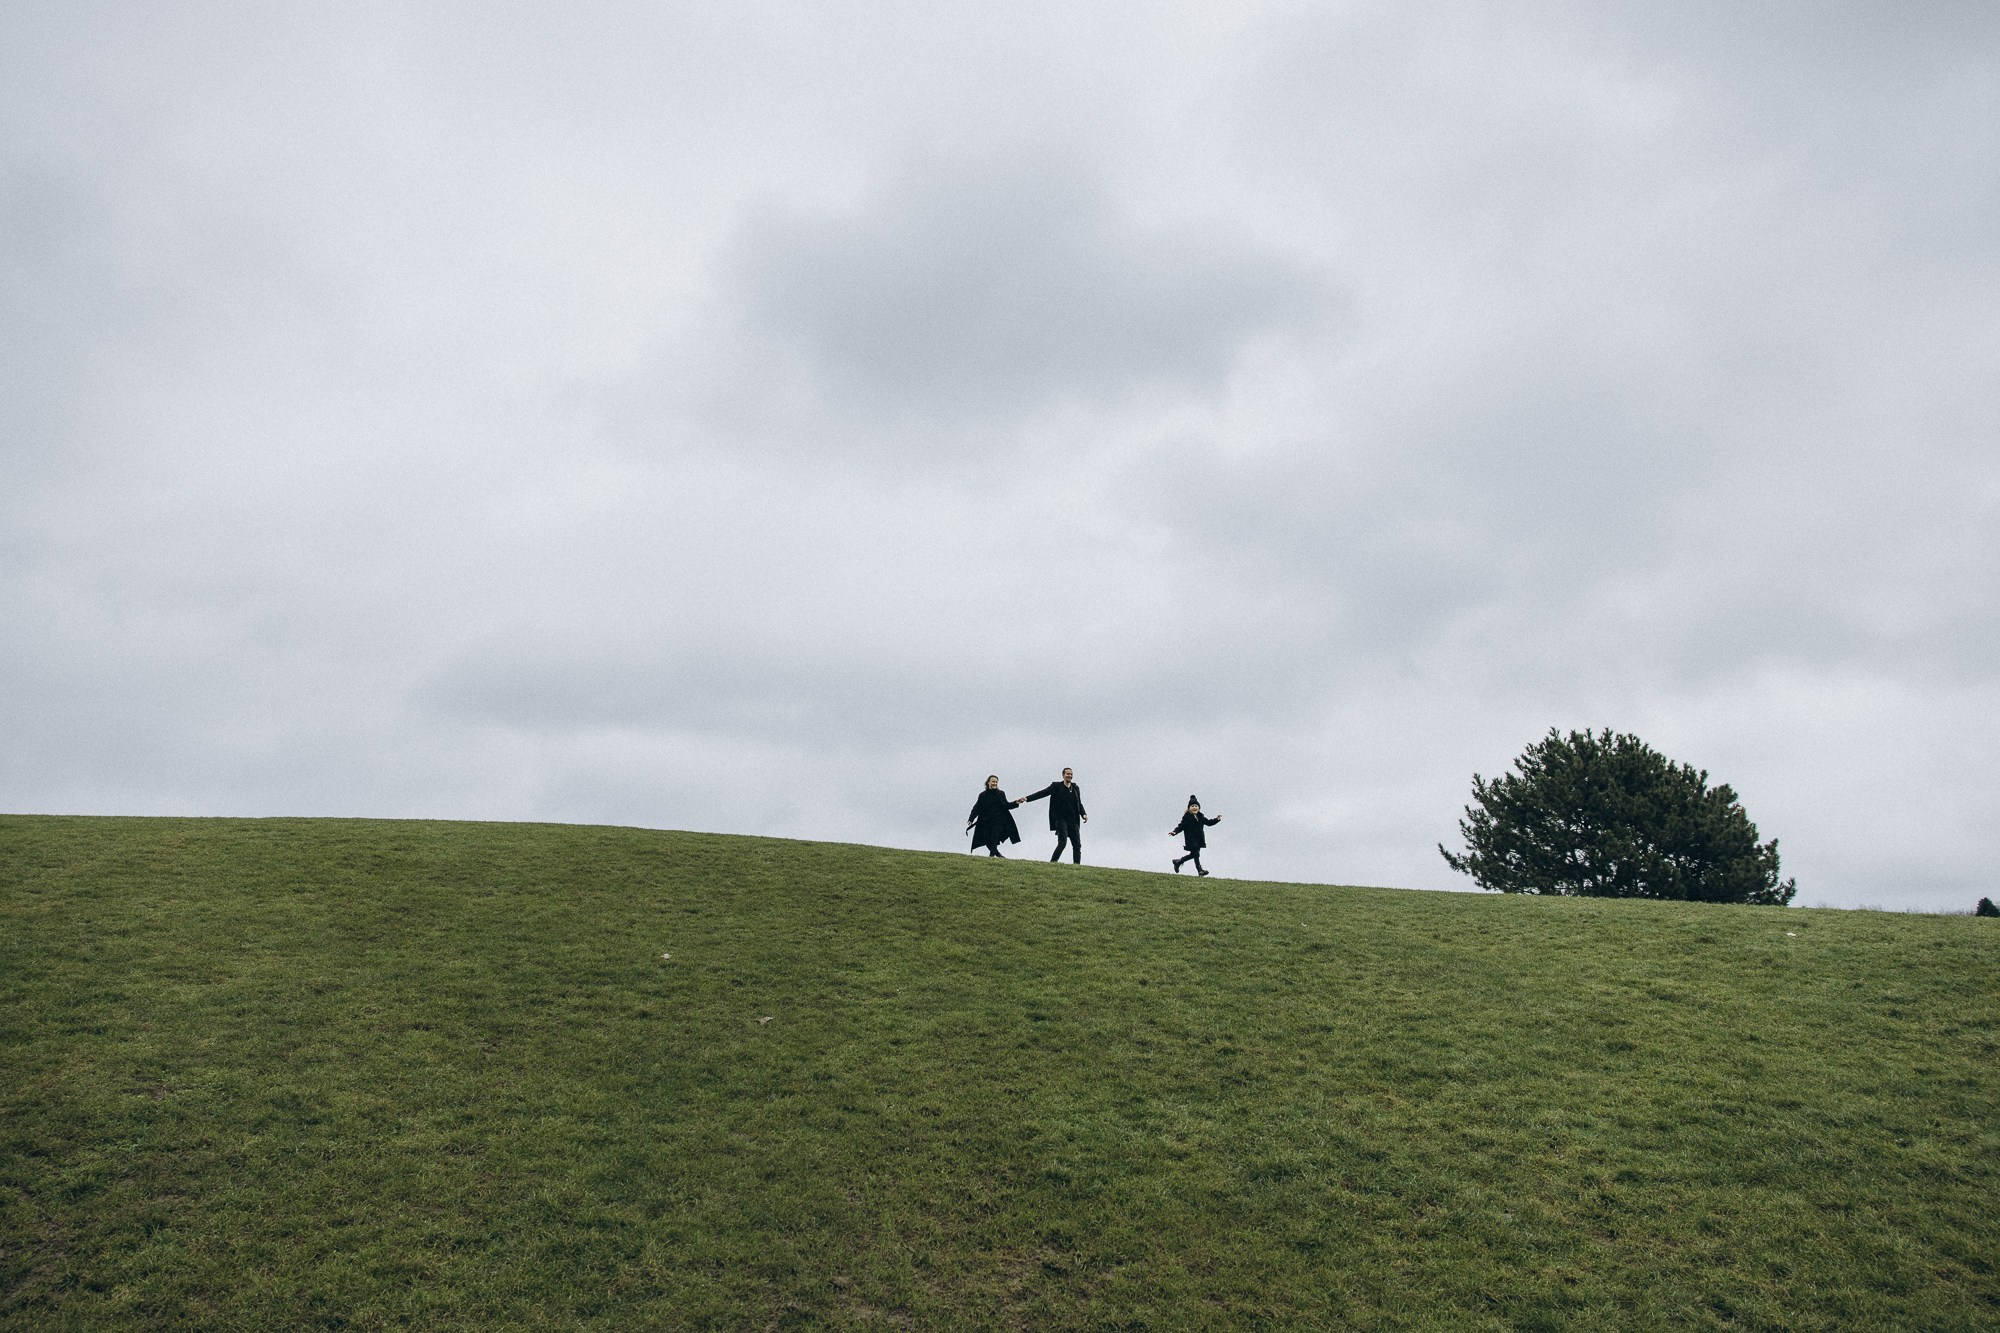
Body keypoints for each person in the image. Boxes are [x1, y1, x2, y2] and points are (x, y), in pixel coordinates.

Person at [1021, 767, 1088, 863]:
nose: (1070, 776)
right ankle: (1053, 862)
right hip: (1061, 819)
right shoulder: (1056, 786)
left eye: (1071, 774)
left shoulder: (1075, 788)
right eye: (1067, 774)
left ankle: (1077, 866)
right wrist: (1027, 798)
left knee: (1077, 845)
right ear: (1063, 775)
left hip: (1073, 820)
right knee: (1062, 842)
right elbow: (1043, 793)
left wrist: (1083, 814)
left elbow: (1079, 803)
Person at [966, 775, 1024, 857]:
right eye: (993, 781)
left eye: (996, 782)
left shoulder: (1000, 793)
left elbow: (1006, 805)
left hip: (999, 821)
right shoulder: (982, 795)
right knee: (987, 840)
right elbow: (977, 808)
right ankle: (998, 855)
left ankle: (991, 856)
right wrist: (971, 819)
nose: (995, 783)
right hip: (986, 822)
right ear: (988, 782)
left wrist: (1016, 802)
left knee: (994, 838)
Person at [1170, 795, 1220, 876]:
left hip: (1199, 839)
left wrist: (1216, 819)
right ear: (1189, 808)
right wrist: (1174, 832)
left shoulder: (1201, 817)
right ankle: (1200, 870)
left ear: (1199, 808)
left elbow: (1209, 823)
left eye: (1196, 806)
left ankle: (1178, 862)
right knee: (1196, 853)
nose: (1194, 807)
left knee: (1194, 854)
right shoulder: (1187, 817)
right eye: (1192, 806)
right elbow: (1181, 826)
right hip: (1191, 839)